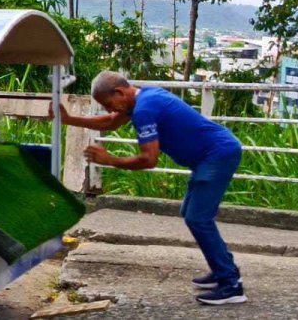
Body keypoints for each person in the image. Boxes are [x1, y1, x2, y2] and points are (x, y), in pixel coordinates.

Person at [57, 71, 247, 305]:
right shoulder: (142, 97)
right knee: (191, 214)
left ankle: (231, 285)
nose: (109, 110)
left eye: (109, 104)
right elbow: (111, 122)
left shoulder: (145, 109)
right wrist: (69, 119)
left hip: (217, 155)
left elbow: (149, 159)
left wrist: (110, 160)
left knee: (198, 218)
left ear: (119, 92)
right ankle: (224, 270)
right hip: (210, 155)